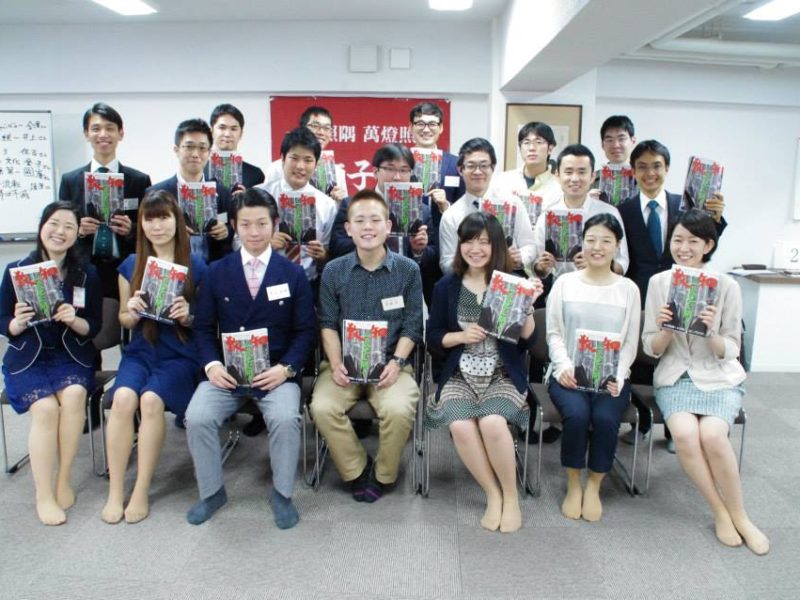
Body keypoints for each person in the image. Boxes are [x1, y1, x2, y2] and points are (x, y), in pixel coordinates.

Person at [184, 187, 316, 528]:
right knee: (197, 416)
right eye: (246, 224)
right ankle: (212, 492)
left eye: (262, 223)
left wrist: (286, 369)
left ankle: (282, 494)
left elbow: (305, 332)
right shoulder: (217, 271)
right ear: (234, 225)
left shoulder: (293, 274)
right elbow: (202, 328)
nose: (255, 232)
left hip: (276, 373)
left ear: (274, 224)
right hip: (226, 374)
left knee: (287, 420)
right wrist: (212, 367)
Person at [642, 209, 769, 555]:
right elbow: (650, 347)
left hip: (717, 377)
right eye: (677, 240)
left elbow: (731, 349)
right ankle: (720, 511)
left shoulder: (726, 285)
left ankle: (741, 515)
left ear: (708, 245)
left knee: (713, 435)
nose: (683, 248)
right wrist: (666, 329)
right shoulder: (658, 283)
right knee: (684, 434)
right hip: (674, 376)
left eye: (693, 241)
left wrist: (711, 332)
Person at [425, 212, 542, 533]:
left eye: (484, 241)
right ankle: (492, 493)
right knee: (461, 425)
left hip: (502, 374)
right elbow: (433, 337)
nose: (475, 248)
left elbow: (529, 339)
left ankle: (511, 496)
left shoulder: (509, 283)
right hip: (460, 375)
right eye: (468, 240)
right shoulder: (446, 286)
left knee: (491, 422)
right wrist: (461, 337)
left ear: (497, 247)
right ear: (459, 244)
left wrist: (528, 307)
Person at [101, 190, 207, 525]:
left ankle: (141, 490)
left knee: (149, 401)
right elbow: (123, 320)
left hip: (179, 353)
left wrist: (188, 314)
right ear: (141, 224)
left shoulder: (198, 267)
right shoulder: (130, 266)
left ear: (178, 221)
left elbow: (205, 325)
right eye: (149, 218)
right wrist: (131, 310)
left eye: (164, 217)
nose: (157, 225)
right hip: (141, 350)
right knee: (122, 399)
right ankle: (115, 490)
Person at [310, 189, 423, 503]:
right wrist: (335, 364)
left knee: (400, 409)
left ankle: (384, 473)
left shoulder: (408, 270)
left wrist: (396, 363)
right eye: (359, 220)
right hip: (344, 364)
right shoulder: (334, 270)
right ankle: (357, 469)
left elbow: (413, 324)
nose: (368, 227)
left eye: (375, 219)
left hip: (391, 365)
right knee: (322, 406)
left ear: (388, 226)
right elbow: (328, 324)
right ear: (348, 228)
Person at [617, 139, 727, 446]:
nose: (650, 173)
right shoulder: (622, 208)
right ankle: (640, 424)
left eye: (656, 166)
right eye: (642, 167)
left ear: (667, 169)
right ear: (633, 171)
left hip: (684, 289)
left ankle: (672, 429)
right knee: (643, 356)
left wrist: (716, 218)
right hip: (639, 290)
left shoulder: (687, 204)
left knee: (679, 351)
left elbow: (704, 242)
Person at [0, 201, 103, 525]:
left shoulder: (86, 274)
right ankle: (43, 493)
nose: (60, 232)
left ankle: (63, 478)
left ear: (77, 234)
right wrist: (15, 323)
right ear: (42, 226)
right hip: (28, 355)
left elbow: (94, 327)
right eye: (54, 224)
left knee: (73, 396)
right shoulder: (16, 270)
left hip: (69, 354)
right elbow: (2, 320)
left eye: (69, 227)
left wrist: (74, 319)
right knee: (45, 409)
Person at [545, 213, 640, 522]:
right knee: (576, 415)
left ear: (617, 247)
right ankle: (574, 484)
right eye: (591, 240)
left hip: (611, 377)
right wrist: (563, 367)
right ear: (581, 243)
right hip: (567, 373)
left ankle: (595, 485)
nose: (597, 247)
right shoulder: (564, 283)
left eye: (606, 241)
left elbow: (630, 342)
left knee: (605, 417)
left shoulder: (628, 289)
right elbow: (554, 333)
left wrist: (619, 375)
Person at [58, 102, 152, 300]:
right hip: (83, 267)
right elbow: (59, 227)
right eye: (96, 128)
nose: (103, 134)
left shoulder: (139, 180)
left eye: (110, 128)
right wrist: (79, 230)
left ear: (121, 134)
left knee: (120, 324)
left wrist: (131, 229)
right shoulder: (70, 180)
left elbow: (150, 228)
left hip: (125, 268)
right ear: (86, 134)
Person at [329, 143, 439, 304]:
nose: (397, 177)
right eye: (390, 169)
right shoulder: (353, 204)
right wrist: (371, 240)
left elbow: (434, 258)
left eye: (404, 170)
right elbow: (336, 248)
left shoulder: (422, 210)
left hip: (405, 289)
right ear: (375, 171)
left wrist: (418, 250)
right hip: (359, 285)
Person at [532, 144, 630, 283]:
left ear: (592, 177)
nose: (575, 178)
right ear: (558, 176)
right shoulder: (548, 215)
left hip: (601, 288)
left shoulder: (609, 213)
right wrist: (542, 267)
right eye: (569, 171)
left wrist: (598, 264)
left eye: (582, 172)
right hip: (561, 290)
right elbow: (537, 266)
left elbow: (622, 262)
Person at [439, 138, 536, 275]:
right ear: (460, 170)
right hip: (468, 286)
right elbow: (446, 262)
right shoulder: (451, 215)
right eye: (471, 166)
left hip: (507, 281)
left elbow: (529, 245)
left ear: (493, 168)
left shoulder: (512, 204)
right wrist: (472, 261)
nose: (477, 172)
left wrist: (520, 257)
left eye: (484, 165)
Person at [259, 127, 336, 289]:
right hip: (266, 281)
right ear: (282, 159)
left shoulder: (326, 204)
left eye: (308, 160)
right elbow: (238, 243)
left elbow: (331, 251)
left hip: (308, 283)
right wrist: (266, 244)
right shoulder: (260, 195)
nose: (300, 166)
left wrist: (323, 255)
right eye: (294, 158)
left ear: (316, 164)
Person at [146, 118, 233, 263]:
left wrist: (226, 232)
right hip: (172, 268)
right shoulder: (157, 193)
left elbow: (233, 230)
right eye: (189, 147)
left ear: (209, 152)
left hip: (214, 268)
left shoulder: (222, 193)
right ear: (176, 149)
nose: (195, 154)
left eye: (202, 148)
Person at [264, 105, 347, 201]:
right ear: (302, 128)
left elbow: (342, 212)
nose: (321, 132)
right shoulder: (276, 168)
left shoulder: (338, 173)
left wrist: (339, 202)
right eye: (315, 126)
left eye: (327, 128)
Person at [491, 121, 561, 226]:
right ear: (520, 148)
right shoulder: (502, 181)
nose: (532, 148)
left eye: (538, 142)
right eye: (526, 142)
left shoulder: (559, 188)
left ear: (550, 149)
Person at [408, 102, 465, 219]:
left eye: (432, 124)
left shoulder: (455, 164)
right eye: (420, 124)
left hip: (443, 234)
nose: (426, 129)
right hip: (408, 234)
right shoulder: (399, 161)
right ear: (410, 127)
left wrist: (445, 205)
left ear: (441, 127)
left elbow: (464, 206)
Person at [206, 103, 266, 190]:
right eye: (222, 128)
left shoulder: (255, 175)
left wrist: (246, 199)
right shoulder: (198, 173)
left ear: (241, 133)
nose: (227, 134)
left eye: (233, 129)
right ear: (211, 131)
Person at [589, 115, 639, 204]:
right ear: (602, 144)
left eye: (621, 139)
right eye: (609, 140)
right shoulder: (591, 179)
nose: (616, 145)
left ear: (633, 141)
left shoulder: (642, 178)